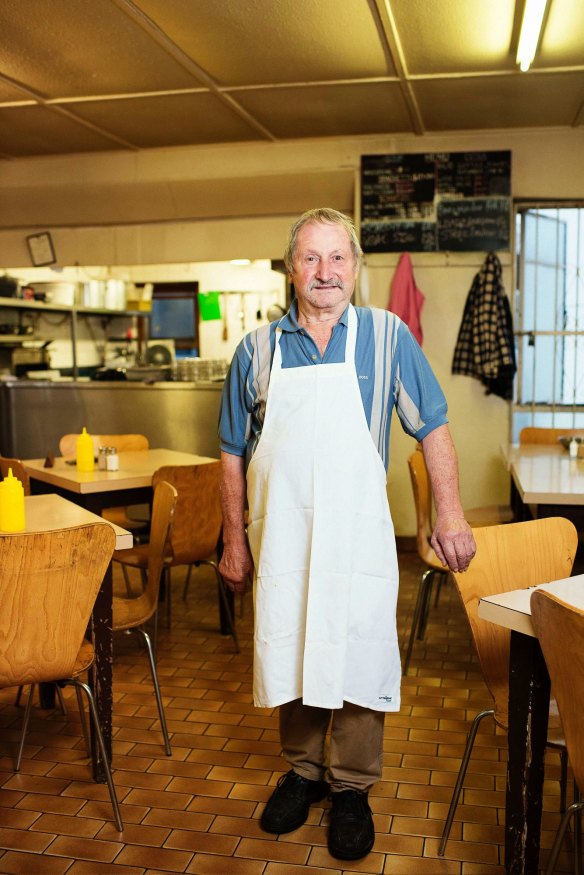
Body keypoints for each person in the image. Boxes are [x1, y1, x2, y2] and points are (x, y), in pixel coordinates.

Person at [218, 207, 476, 861]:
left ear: (356, 269)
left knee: (358, 648)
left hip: (357, 536)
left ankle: (354, 786)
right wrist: (234, 540)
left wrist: (451, 513)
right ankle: (304, 772)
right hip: (285, 538)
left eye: (337, 258)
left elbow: (434, 426)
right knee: (293, 639)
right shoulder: (255, 351)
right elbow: (230, 452)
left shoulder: (387, 336)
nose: (324, 271)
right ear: (290, 269)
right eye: (310, 257)